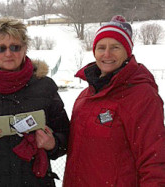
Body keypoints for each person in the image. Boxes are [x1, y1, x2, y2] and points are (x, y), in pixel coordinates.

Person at [0, 17, 70, 187]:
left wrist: (53, 143)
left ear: (25, 48)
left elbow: (66, 136)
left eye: (15, 47)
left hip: (36, 181)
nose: (8, 53)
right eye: (1, 48)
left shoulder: (45, 87)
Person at [63, 15, 165, 187]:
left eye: (115, 47)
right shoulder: (85, 97)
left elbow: (154, 159)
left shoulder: (142, 96)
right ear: (94, 51)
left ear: (127, 52)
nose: (107, 54)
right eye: (101, 47)